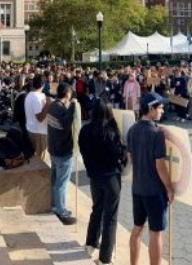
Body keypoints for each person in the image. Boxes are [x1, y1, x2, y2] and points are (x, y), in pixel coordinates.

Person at [128, 93, 174, 265]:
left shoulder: (132, 129)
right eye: (160, 107)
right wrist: (169, 189)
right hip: (154, 191)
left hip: (137, 188)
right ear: (151, 108)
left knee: (137, 228)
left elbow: (132, 158)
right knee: (156, 232)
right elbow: (160, 166)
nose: (162, 111)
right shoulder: (156, 133)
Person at [80, 98, 126, 265]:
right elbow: (119, 155)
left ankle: (90, 244)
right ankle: (105, 258)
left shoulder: (85, 130)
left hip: (94, 177)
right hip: (111, 178)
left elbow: (83, 152)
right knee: (110, 217)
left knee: (97, 210)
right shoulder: (111, 132)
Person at [46, 83, 77, 225]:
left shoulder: (52, 106)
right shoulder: (61, 108)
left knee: (55, 180)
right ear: (67, 94)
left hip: (53, 149)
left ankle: (54, 204)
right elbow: (66, 125)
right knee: (61, 183)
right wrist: (72, 107)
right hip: (62, 151)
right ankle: (61, 210)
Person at [25, 75, 53, 163]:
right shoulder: (35, 97)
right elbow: (40, 118)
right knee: (42, 161)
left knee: (37, 159)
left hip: (34, 130)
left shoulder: (31, 95)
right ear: (43, 85)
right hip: (39, 133)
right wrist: (48, 104)